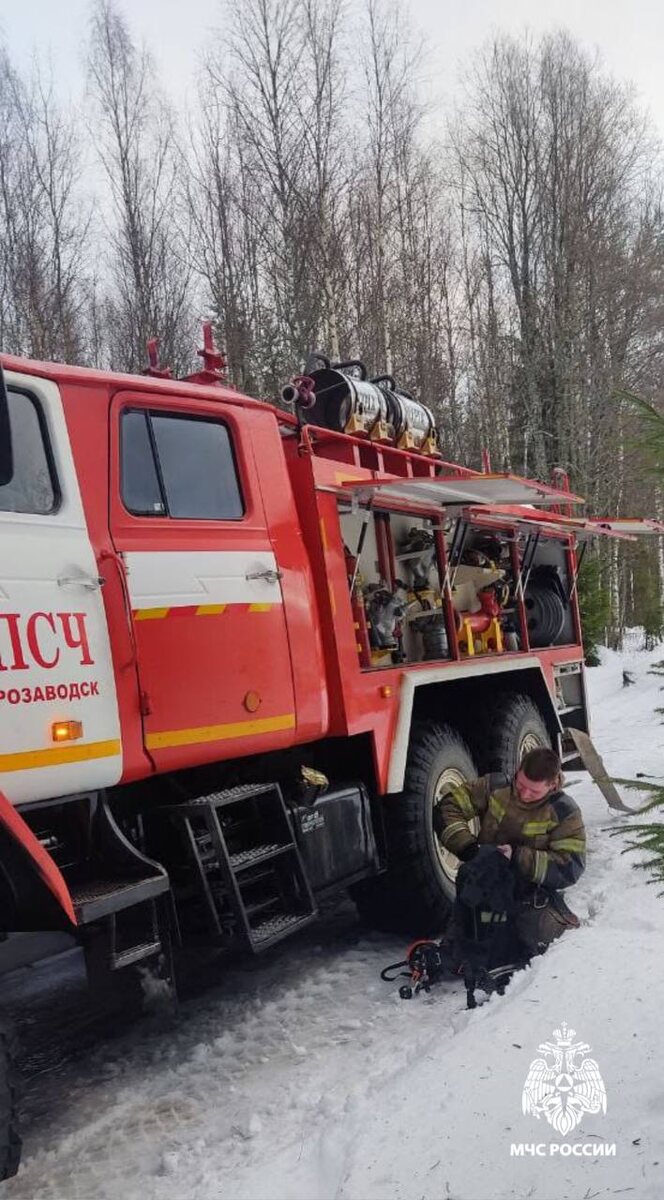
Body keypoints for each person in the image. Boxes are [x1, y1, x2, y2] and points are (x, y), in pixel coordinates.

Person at [438, 746, 585, 957]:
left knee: (539, 944)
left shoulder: (564, 812)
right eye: (521, 784)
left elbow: (570, 866)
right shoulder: (495, 787)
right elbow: (448, 807)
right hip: (485, 886)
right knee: (468, 939)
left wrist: (517, 857)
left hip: (528, 896)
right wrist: (469, 849)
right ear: (518, 769)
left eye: (534, 791)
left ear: (552, 785)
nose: (524, 794)